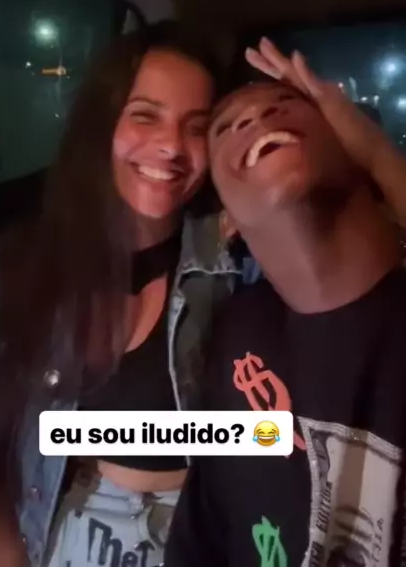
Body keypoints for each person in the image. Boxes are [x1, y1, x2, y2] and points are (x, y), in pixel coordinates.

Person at [0, 21, 250, 567]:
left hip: (196, 536)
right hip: (55, 525)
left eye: (195, 127)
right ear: (102, 126)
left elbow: (270, 434)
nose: (171, 146)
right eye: (145, 115)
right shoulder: (15, 269)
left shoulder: (240, 265)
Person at [166, 40, 406, 566]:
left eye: (286, 106)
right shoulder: (239, 333)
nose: (255, 117)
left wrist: (377, 153)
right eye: (225, 128)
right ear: (227, 217)